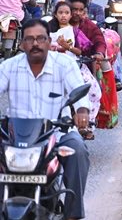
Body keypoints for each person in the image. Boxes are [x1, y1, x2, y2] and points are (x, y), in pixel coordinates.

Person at [0, 19, 92, 219]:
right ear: (22, 43)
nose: (35, 44)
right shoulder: (9, 66)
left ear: (49, 41)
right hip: (16, 139)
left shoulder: (64, 64)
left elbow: (79, 91)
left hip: (56, 135)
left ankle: (72, 213)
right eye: (29, 39)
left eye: (41, 38)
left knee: (77, 150)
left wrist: (82, 111)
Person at [46, 1, 103, 133]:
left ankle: (88, 124)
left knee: (94, 92)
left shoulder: (75, 32)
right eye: (60, 13)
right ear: (55, 14)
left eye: (67, 13)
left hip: (75, 67)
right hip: (53, 68)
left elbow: (82, 51)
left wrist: (67, 47)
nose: (63, 16)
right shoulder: (48, 31)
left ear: (71, 15)